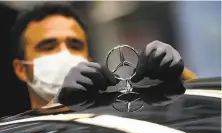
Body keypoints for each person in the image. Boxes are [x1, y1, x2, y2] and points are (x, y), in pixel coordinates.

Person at [11, 3, 197, 110]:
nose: (64, 53)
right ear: (21, 69)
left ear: (89, 60)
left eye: (75, 45)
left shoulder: (120, 116)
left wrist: (185, 78)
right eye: (48, 46)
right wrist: (58, 107)